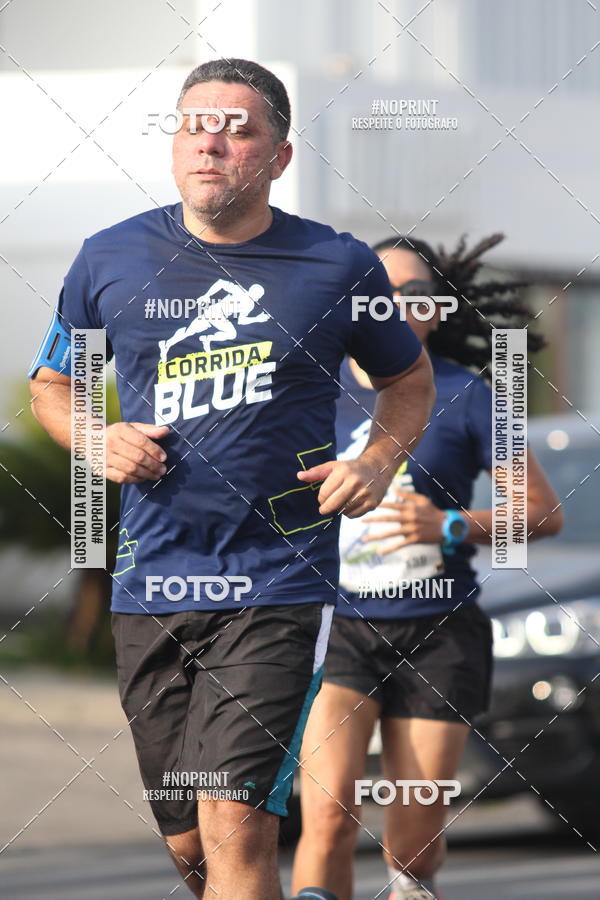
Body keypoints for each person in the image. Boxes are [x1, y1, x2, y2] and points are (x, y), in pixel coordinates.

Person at [27, 60, 435, 900]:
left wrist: (374, 459)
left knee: (234, 823)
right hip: (152, 582)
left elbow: (409, 381)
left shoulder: (336, 264)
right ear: (175, 145)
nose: (211, 140)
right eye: (193, 124)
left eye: (238, 128)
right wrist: (96, 440)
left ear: (278, 157)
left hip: (277, 580)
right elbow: (53, 385)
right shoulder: (108, 258)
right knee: (190, 847)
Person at [292, 234, 564, 900]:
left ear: (437, 310)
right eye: (374, 290)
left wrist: (446, 524)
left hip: (438, 636)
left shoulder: (471, 395)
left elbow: (541, 512)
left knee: (410, 846)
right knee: (327, 817)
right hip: (339, 629)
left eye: (412, 294)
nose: (390, 304)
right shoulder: (309, 390)